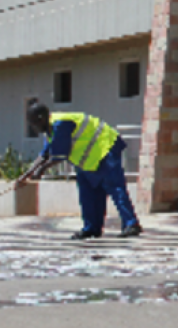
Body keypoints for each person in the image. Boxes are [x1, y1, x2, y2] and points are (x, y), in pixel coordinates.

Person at [25, 99, 143, 240]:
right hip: (88, 160)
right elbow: (45, 154)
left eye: (34, 123)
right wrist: (26, 174)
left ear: (41, 119)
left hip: (105, 148)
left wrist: (40, 171)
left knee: (115, 189)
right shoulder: (50, 128)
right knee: (88, 194)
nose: (34, 128)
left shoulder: (61, 124)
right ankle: (92, 228)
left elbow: (59, 155)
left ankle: (131, 224)